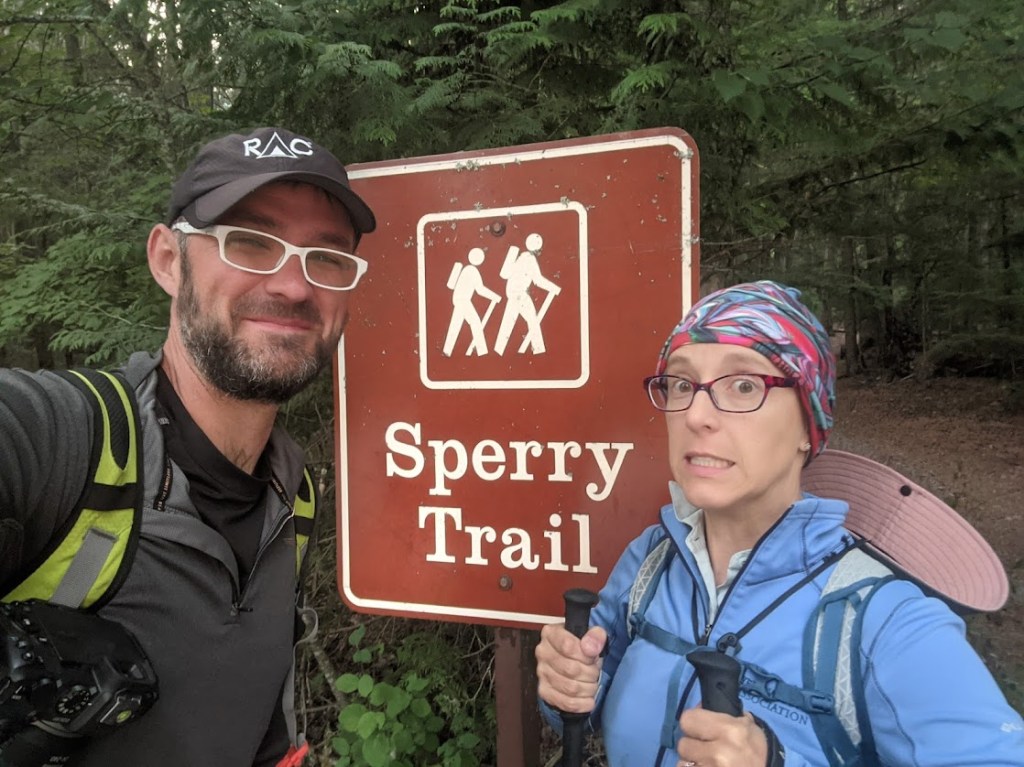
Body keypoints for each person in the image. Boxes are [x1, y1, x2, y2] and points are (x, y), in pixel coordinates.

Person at [0, 127, 376, 766]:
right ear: (169, 261)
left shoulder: (295, 498)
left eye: (327, 257)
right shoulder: (63, 441)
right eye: (250, 242)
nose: (294, 286)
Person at [535, 280, 1024, 767]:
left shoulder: (885, 622)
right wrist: (567, 689)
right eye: (682, 384)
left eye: (744, 385)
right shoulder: (650, 561)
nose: (696, 415)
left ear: (808, 425)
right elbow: (583, 701)